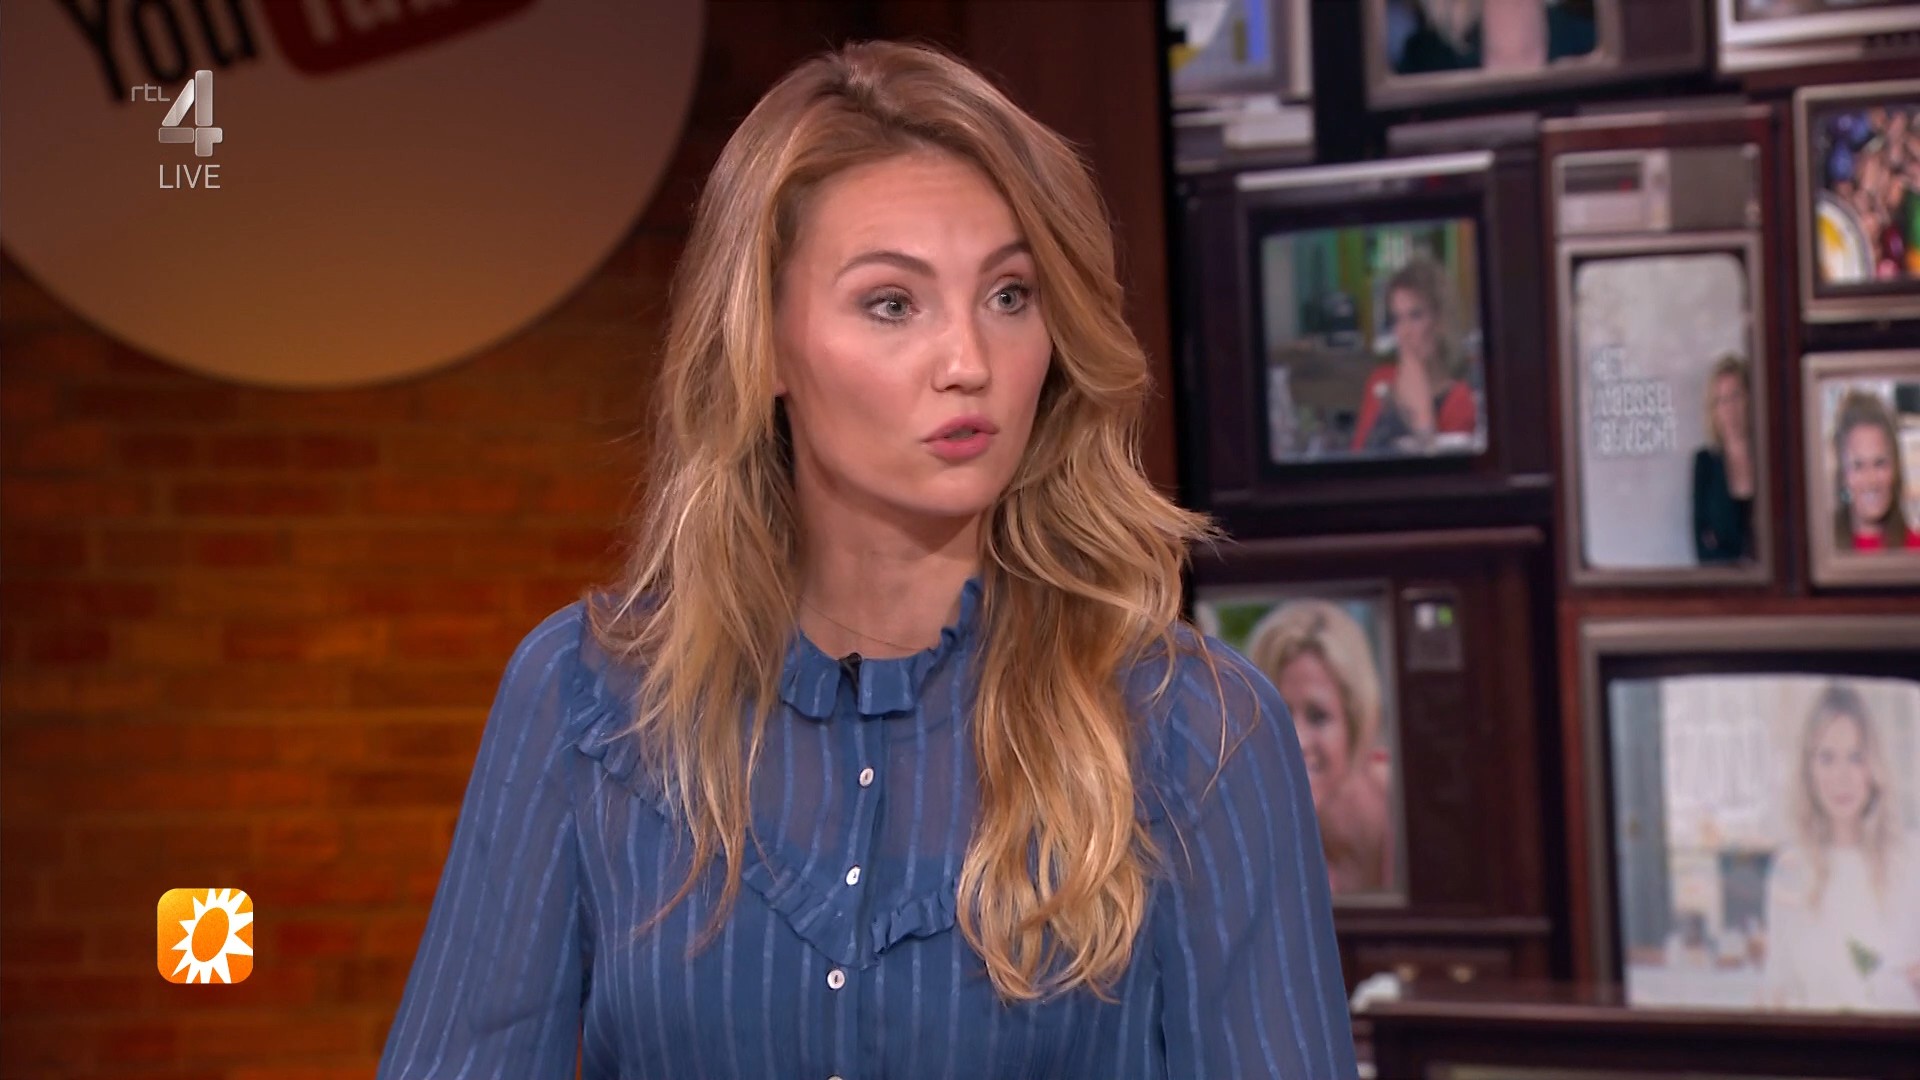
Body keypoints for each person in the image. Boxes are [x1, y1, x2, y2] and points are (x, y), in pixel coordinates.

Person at [375, 40, 1357, 1080]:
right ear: (765, 344)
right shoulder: (588, 703)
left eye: (1010, 295)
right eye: (893, 303)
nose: (969, 362)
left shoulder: (1195, 732)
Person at [1760, 685, 1920, 1013]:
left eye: (1856, 757)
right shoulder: (1789, 869)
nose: (1841, 777)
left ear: (1873, 767)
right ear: (1808, 769)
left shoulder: (1911, 860)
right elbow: (1779, 991)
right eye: (1827, 758)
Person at [1246, 601, 1394, 896]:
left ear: (1354, 722)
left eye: (1318, 716)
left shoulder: (1405, 811)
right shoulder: (1252, 824)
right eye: (1278, 715)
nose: (1297, 741)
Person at [1349, 254, 1477, 453]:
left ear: (1440, 321)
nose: (1404, 332)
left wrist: (1421, 413)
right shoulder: (1380, 380)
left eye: (1416, 316)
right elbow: (1357, 457)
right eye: (1397, 319)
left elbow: (1446, 469)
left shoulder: (1459, 399)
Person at [1830, 390, 1916, 553]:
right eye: (1858, 466)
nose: (1871, 480)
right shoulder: (1822, 551)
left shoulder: (1915, 548)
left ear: (1896, 467)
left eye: (1880, 463)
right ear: (1842, 475)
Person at [1691, 354, 1757, 564]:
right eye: (1721, 400)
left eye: (1736, 396)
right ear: (1714, 410)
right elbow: (1703, 549)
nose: (1729, 409)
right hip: (1726, 582)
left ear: (1750, 399)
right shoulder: (1705, 464)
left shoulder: (1769, 459)